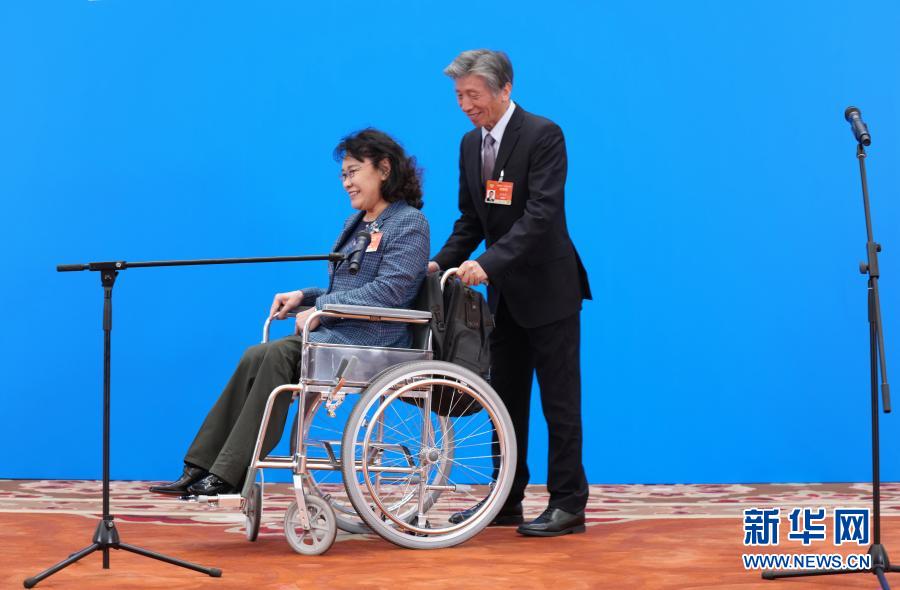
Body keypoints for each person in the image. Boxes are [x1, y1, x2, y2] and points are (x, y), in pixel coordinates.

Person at [150, 128, 429, 496]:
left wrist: (322, 309)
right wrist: (304, 296)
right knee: (255, 355)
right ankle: (200, 464)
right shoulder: (356, 223)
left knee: (278, 355)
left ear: (384, 169)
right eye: (343, 175)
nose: (346, 183)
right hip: (339, 336)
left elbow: (390, 292)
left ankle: (230, 473)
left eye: (353, 172)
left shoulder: (409, 223)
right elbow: (344, 289)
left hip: (373, 341)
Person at [430, 50, 592, 536]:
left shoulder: (543, 135)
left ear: (504, 89)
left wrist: (487, 263)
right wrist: (439, 263)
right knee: (505, 403)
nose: (465, 105)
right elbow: (471, 220)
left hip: (549, 290)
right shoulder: (469, 145)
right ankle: (505, 500)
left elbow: (541, 216)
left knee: (559, 403)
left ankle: (568, 503)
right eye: (458, 96)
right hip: (502, 297)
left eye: (473, 94)